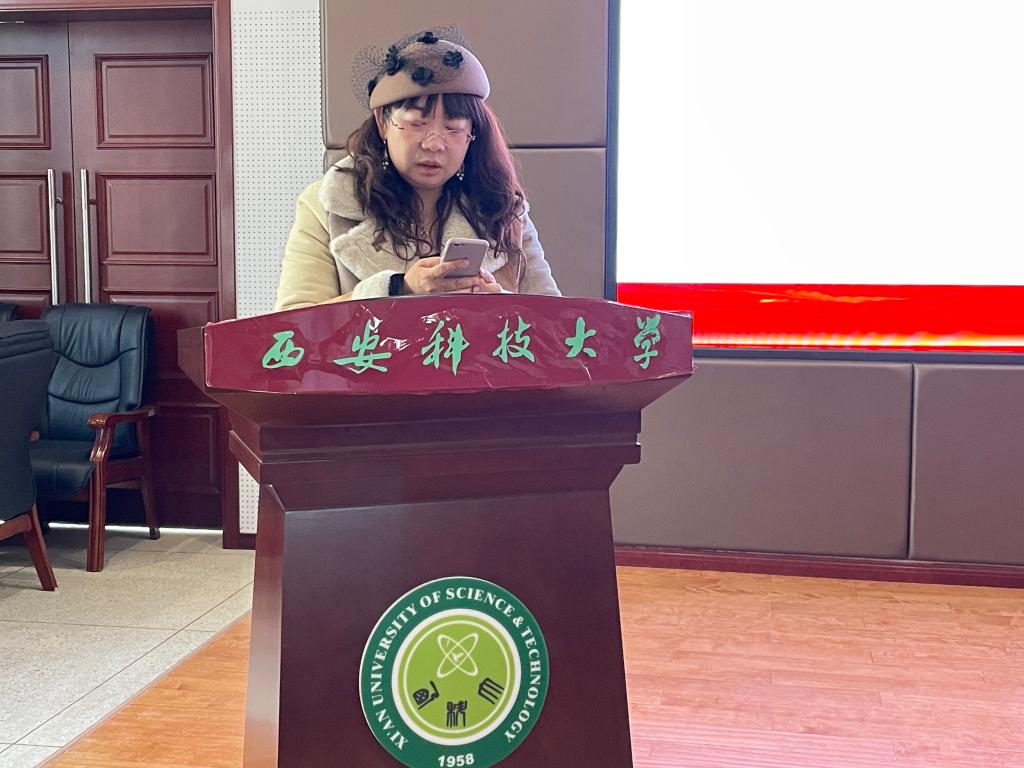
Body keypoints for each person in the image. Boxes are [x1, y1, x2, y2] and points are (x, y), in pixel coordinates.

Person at [275, 26, 560, 311]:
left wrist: (499, 307)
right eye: (417, 124)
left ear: (472, 135)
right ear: (383, 122)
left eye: (453, 128)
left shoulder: (503, 207)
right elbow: (292, 324)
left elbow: (554, 321)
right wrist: (397, 289)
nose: (434, 144)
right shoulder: (327, 206)